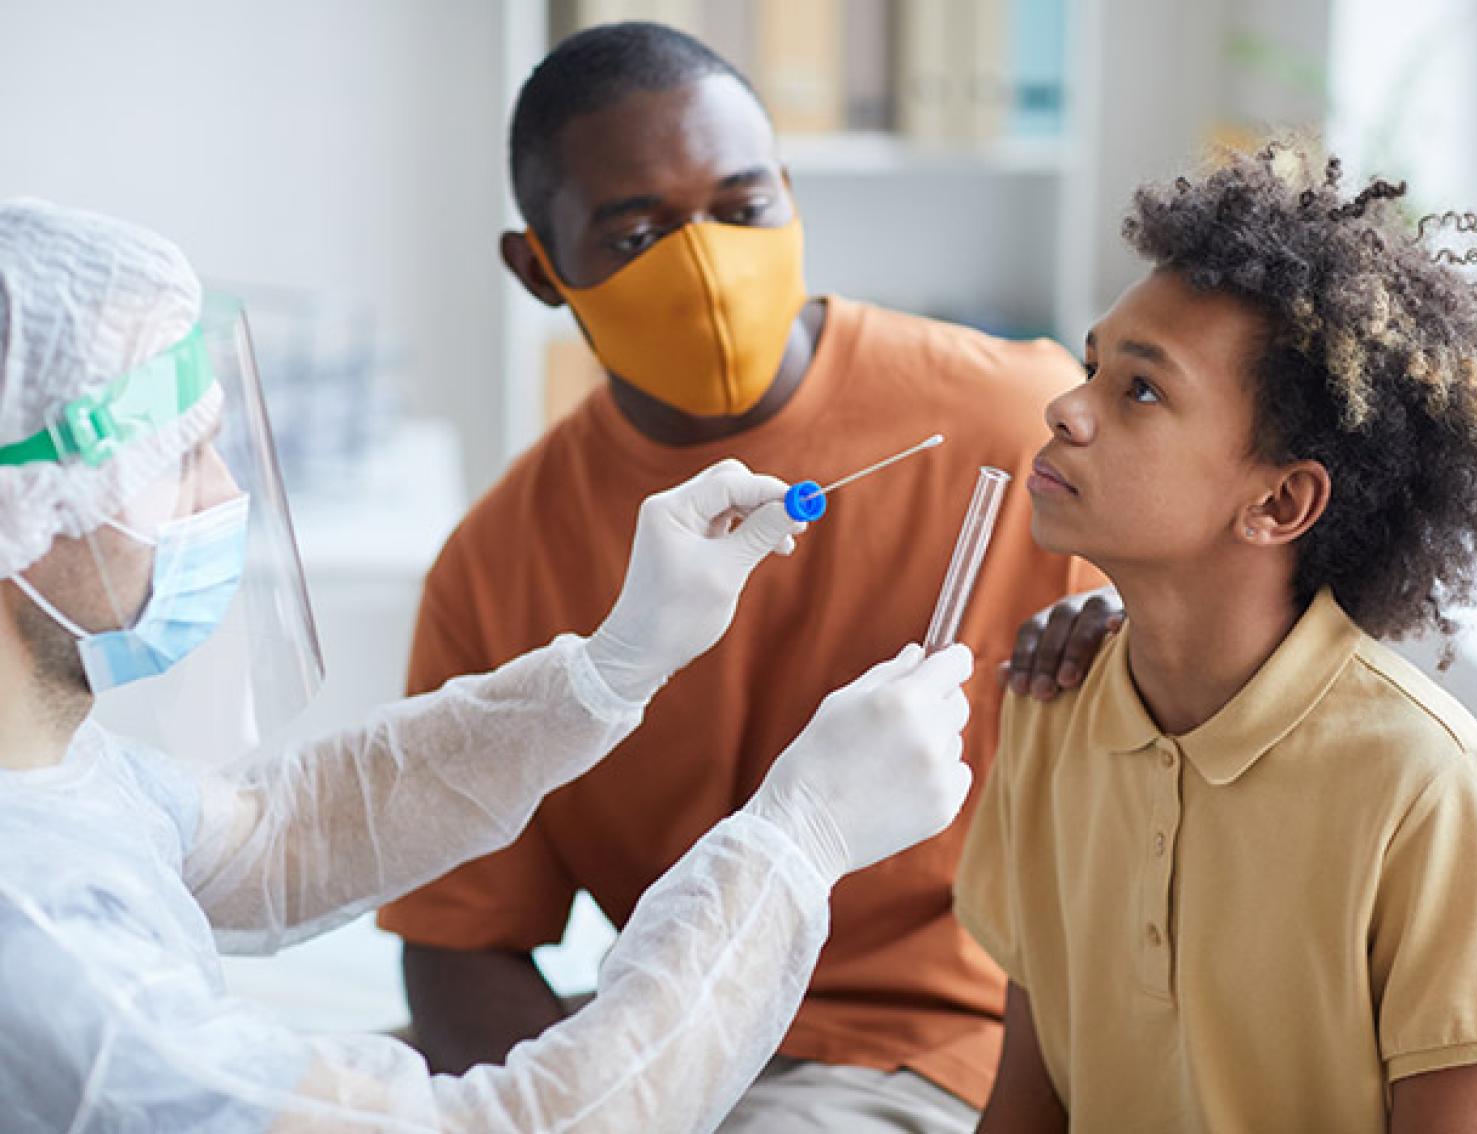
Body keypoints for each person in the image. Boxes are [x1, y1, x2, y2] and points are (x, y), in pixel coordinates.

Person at [0, 199, 982, 1133]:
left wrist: (614, 666)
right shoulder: (47, 957)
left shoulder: (49, 776)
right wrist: (798, 837)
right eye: (173, 458)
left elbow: (276, 835)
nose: (223, 494)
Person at [375, 22, 1099, 1128]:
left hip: (929, 1046)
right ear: (539, 268)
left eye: (742, 208)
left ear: (791, 197)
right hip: (660, 1039)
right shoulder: (500, 558)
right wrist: (592, 1100)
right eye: (636, 230)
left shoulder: (1013, 435)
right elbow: (456, 946)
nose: (706, 262)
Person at [954, 142, 1477, 1132]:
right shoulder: (1050, 707)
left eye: (1139, 391)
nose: (1065, 409)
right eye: (1091, 365)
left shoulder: (1424, 786)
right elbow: (1027, 1101)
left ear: (1278, 501)